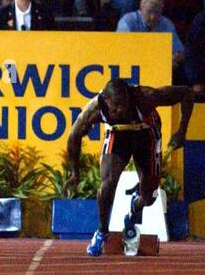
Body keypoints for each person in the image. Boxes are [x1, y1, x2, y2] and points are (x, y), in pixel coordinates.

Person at [67, 78, 193, 257]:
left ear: (129, 97)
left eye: (124, 105)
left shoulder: (146, 96)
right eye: (116, 107)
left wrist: (181, 131)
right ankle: (102, 231)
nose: (121, 110)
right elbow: (73, 136)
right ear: (107, 101)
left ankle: (137, 204)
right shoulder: (95, 108)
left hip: (146, 133)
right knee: (107, 183)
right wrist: (74, 174)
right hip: (118, 134)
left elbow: (186, 93)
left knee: (149, 197)